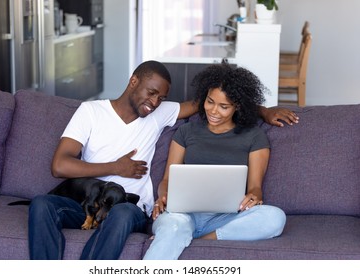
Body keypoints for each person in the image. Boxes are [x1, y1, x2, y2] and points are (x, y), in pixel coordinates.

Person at [28, 60, 296, 260]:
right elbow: (59, 166)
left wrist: (261, 110)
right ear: (134, 81)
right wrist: (117, 168)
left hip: (128, 204)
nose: (155, 102)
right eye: (151, 92)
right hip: (90, 202)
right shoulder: (90, 112)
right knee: (41, 204)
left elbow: (220, 102)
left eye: (161, 97)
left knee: (120, 214)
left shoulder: (160, 113)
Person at [143, 63, 286, 260]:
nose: (214, 111)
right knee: (174, 225)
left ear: (238, 107)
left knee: (275, 217)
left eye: (224, 106)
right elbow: (167, 180)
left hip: (227, 218)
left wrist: (253, 196)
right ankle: (179, 235)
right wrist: (164, 196)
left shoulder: (255, 136)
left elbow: (255, 188)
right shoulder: (186, 132)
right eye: (210, 102)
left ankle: (200, 241)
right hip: (182, 216)